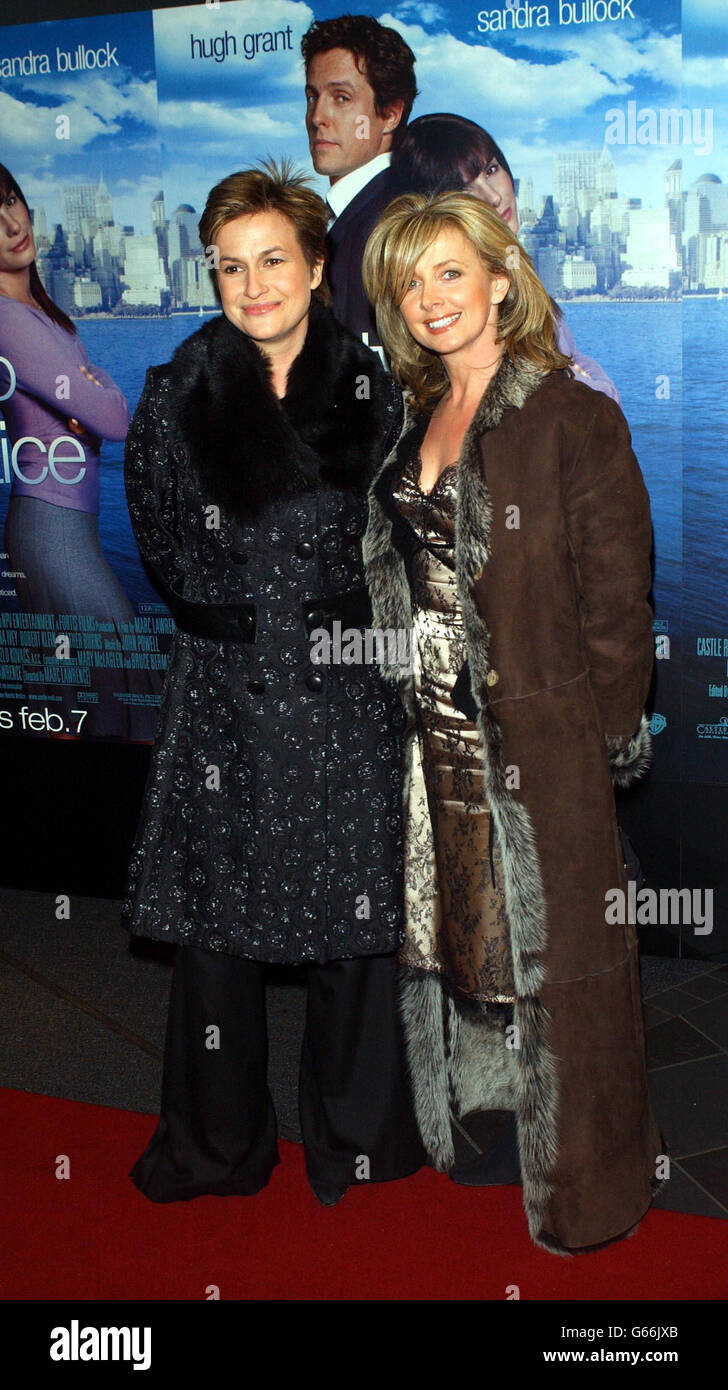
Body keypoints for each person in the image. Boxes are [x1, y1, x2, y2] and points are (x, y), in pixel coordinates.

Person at [360, 190, 667, 1254]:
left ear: (500, 278)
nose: (429, 298)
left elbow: (618, 604)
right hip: (433, 738)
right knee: (464, 938)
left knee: (565, 968)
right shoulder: (416, 411)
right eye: (409, 281)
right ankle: (490, 1126)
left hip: (541, 742)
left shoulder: (571, 415)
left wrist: (598, 740)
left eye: (450, 271)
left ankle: (592, 1181)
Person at [122, 162, 425, 1206]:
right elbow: (162, 544)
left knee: (357, 926)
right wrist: (241, 618)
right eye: (229, 267)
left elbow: (397, 539)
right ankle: (216, 1147)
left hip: (347, 691)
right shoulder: (173, 396)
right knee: (218, 934)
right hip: (226, 693)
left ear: (316, 266)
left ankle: (359, 1141)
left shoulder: (373, 389)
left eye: (271, 262)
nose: (252, 286)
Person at [0, 164, 155, 740]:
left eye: (11, 200)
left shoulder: (40, 312)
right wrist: (93, 396)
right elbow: (114, 418)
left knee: (88, 695)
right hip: (51, 529)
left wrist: (92, 395)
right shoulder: (8, 321)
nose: (11, 223)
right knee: (117, 679)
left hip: (62, 525)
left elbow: (100, 409)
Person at [390, 113, 621, 401]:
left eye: (491, 170)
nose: (493, 197)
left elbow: (571, 363)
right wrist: (594, 389)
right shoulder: (472, 301)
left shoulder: (513, 268)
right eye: (464, 188)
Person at [302, 13, 417, 348]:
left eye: (342, 98)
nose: (317, 117)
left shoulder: (390, 221)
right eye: (312, 97)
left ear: (390, 114)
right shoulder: (352, 215)